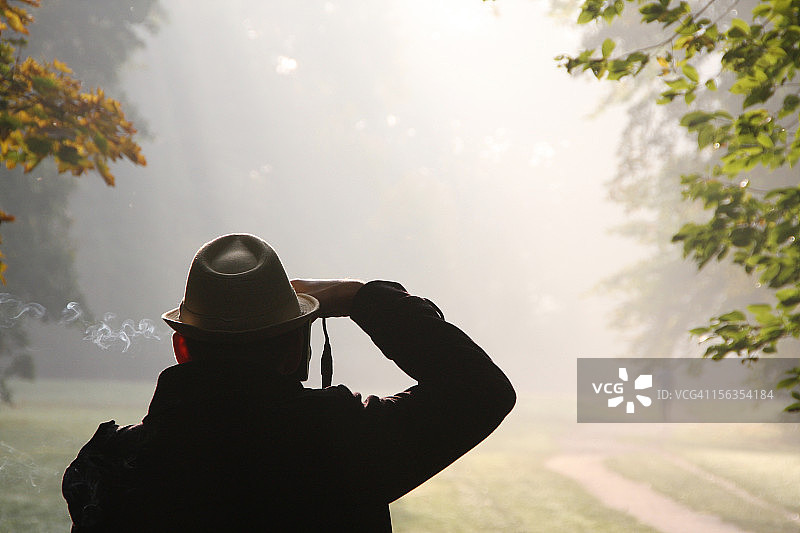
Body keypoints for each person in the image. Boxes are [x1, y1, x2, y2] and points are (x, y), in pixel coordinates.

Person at [62, 233, 516, 532]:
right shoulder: (342, 441)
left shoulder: (107, 467)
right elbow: (479, 389)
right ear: (294, 352)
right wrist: (359, 297)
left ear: (181, 349)